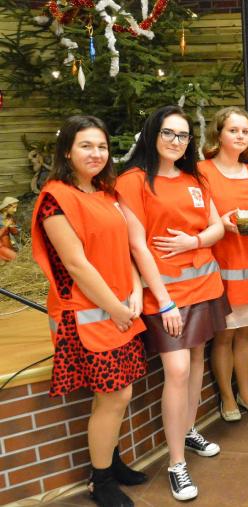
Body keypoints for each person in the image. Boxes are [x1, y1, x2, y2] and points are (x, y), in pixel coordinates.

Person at [31, 115, 148, 507]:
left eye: (101, 146)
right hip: (88, 315)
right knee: (115, 395)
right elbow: (76, 264)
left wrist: (135, 289)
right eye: (86, 146)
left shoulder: (104, 191)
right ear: (67, 151)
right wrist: (115, 308)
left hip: (118, 311)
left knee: (114, 396)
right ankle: (102, 481)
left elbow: (123, 247)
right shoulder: (55, 198)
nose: (96, 153)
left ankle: (111, 461)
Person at [116, 105, 228, 502]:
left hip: (204, 284)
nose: (176, 141)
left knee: (196, 360)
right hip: (164, 294)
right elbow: (137, 246)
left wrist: (193, 241)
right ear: (152, 133)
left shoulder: (195, 177)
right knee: (177, 369)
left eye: (182, 135)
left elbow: (217, 226)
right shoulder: (132, 181)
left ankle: (189, 428)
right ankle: (176, 463)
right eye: (168, 133)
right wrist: (163, 303)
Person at [200, 106, 248, 422]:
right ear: (218, 134)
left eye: (245, 131)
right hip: (220, 265)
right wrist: (221, 224)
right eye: (233, 130)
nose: (240, 136)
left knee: (245, 333)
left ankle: (245, 392)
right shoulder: (202, 172)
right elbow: (198, 218)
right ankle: (227, 398)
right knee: (224, 335)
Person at [1, 196, 20, 262]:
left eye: (16, 207)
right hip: (1, 245)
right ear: (6, 208)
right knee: (15, 258)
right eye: (13, 207)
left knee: (18, 257)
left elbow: (16, 233)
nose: (15, 210)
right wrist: (6, 226)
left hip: (10, 243)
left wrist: (12, 227)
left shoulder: (9, 218)